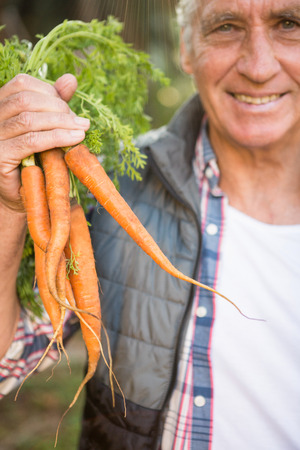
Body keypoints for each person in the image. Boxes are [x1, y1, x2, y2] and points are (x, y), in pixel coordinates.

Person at [1, 0, 300, 448]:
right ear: (186, 47)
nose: (258, 67)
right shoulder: (112, 187)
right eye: (226, 26)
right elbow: (7, 362)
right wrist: (9, 209)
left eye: (289, 23)